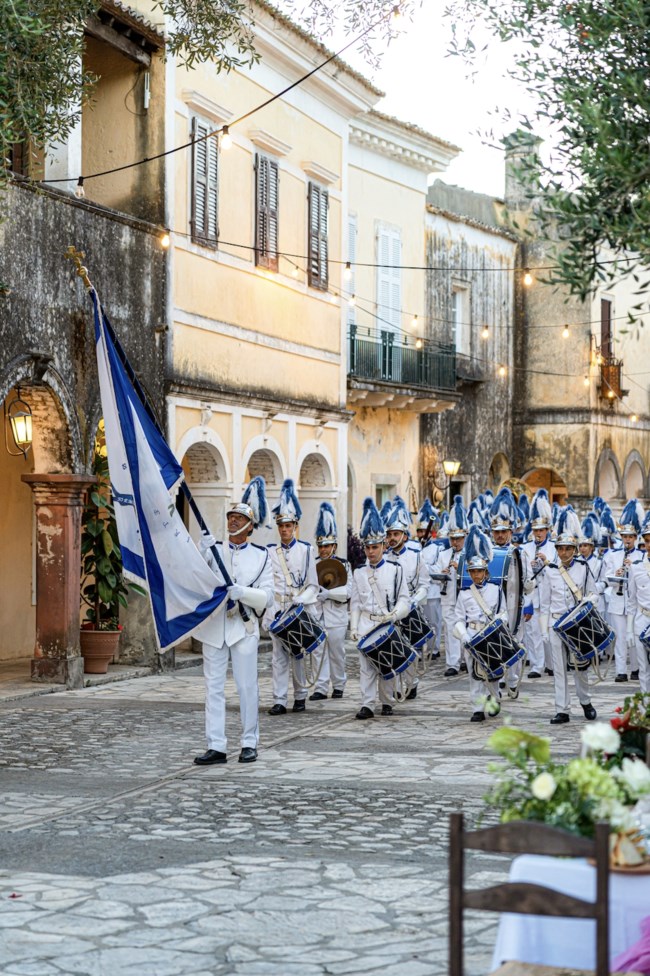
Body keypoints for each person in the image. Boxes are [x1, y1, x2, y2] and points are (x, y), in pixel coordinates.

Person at [194, 476, 274, 765]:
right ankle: (216, 744)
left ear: (249, 526)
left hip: (244, 626)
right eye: (230, 517)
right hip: (215, 625)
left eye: (239, 518)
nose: (232, 522)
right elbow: (199, 578)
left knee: (246, 686)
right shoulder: (214, 550)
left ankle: (249, 742)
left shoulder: (262, 556)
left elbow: (268, 597)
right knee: (213, 687)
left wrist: (245, 593)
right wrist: (203, 552)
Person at [350, 497, 410, 720]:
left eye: (375, 547)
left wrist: (395, 614)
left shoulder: (396, 570)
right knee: (366, 666)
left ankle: (387, 701)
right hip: (367, 622)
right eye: (367, 547)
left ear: (384, 546)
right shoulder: (358, 572)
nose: (371, 552)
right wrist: (354, 626)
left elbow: (405, 599)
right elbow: (355, 602)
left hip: (387, 621)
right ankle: (367, 704)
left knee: (387, 663)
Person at [539, 508, 598, 725]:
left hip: (577, 624)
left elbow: (594, 593)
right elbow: (544, 603)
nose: (564, 553)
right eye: (560, 549)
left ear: (574, 550)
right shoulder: (550, 570)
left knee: (581, 666)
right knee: (559, 668)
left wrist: (587, 604)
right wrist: (544, 629)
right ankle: (562, 709)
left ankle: (585, 700)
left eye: (568, 549)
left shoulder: (583, 568)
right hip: (556, 623)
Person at [266, 479, 319, 715]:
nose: (284, 530)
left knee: (298, 654)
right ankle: (279, 699)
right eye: (281, 527)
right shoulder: (270, 552)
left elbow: (313, 585)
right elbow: (269, 585)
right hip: (279, 610)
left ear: (295, 526)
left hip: (298, 609)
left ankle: (300, 696)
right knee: (278, 658)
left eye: (288, 526)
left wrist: (302, 601)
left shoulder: (306, 550)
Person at [453, 525, 503, 723]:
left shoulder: (496, 590)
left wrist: (500, 622)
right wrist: (464, 635)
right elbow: (458, 618)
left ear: (485, 571)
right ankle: (477, 708)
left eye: (479, 571)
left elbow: (504, 612)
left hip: (490, 634)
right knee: (474, 672)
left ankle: (494, 698)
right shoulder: (464, 593)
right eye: (472, 571)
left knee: (492, 671)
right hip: (472, 634)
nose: (476, 575)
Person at [384, 495, 429, 700]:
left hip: (410, 610)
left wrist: (414, 601)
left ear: (404, 535)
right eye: (390, 534)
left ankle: (411, 683)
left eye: (396, 534)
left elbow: (424, 585)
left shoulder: (416, 556)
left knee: (411, 649)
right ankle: (394, 684)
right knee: (392, 649)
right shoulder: (383, 559)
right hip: (390, 612)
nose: (392, 538)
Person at [598, 500, 645, 683]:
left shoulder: (641, 556)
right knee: (619, 637)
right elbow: (606, 578)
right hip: (617, 601)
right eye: (624, 536)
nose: (627, 539)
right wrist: (616, 574)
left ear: (635, 537)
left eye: (630, 537)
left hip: (635, 602)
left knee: (633, 636)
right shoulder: (612, 555)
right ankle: (620, 671)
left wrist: (632, 568)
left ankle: (635, 668)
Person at [309, 502, 351, 701]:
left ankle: (339, 684)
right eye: (320, 546)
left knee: (336, 652)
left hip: (336, 615)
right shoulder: (313, 565)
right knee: (317, 653)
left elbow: (348, 591)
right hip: (318, 614)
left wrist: (330, 594)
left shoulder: (344, 565)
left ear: (334, 546)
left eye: (326, 546)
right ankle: (320, 687)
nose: (323, 549)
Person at [522, 489, 556, 678]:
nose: (538, 534)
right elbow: (523, 575)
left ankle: (552, 664)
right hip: (532, 594)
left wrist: (546, 563)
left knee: (549, 632)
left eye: (541, 530)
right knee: (533, 631)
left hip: (550, 596)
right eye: (535, 530)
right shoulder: (526, 549)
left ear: (547, 531)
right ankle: (536, 665)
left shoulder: (553, 548)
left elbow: (559, 572)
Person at [433, 495, 469, 677]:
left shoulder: (471, 555)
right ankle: (452, 663)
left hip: (465, 597)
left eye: (459, 539)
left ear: (465, 536)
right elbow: (436, 576)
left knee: (466, 627)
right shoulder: (443, 554)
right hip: (448, 597)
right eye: (452, 539)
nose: (455, 542)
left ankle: (466, 660)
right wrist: (443, 573)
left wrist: (460, 567)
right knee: (449, 629)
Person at [416, 498, 443, 661]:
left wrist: (424, 566)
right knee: (418, 622)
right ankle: (418, 648)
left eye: (423, 532)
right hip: (418, 592)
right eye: (419, 531)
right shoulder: (414, 548)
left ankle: (434, 648)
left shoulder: (437, 549)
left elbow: (437, 570)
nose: (420, 535)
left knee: (434, 622)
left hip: (432, 591)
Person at [627, 513, 650, 694]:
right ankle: (645, 706)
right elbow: (632, 600)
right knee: (643, 668)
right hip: (642, 618)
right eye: (647, 541)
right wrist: (629, 629)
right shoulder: (636, 567)